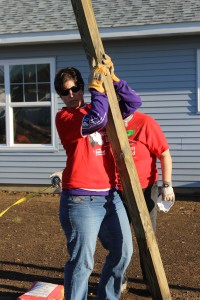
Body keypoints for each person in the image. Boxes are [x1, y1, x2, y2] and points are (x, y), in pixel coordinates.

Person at [53, 56, 142, 300]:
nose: (71, 94)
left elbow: (134, 102)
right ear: (60, 96)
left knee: (123, 252)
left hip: (110, 198)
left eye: (76, 88)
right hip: (80, 200)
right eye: (64, 91)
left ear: (81, 86)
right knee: (82, 262)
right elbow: (96, 120)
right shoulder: (65, 118)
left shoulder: (100, 108)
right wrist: (97, 89)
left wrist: (112, 79)